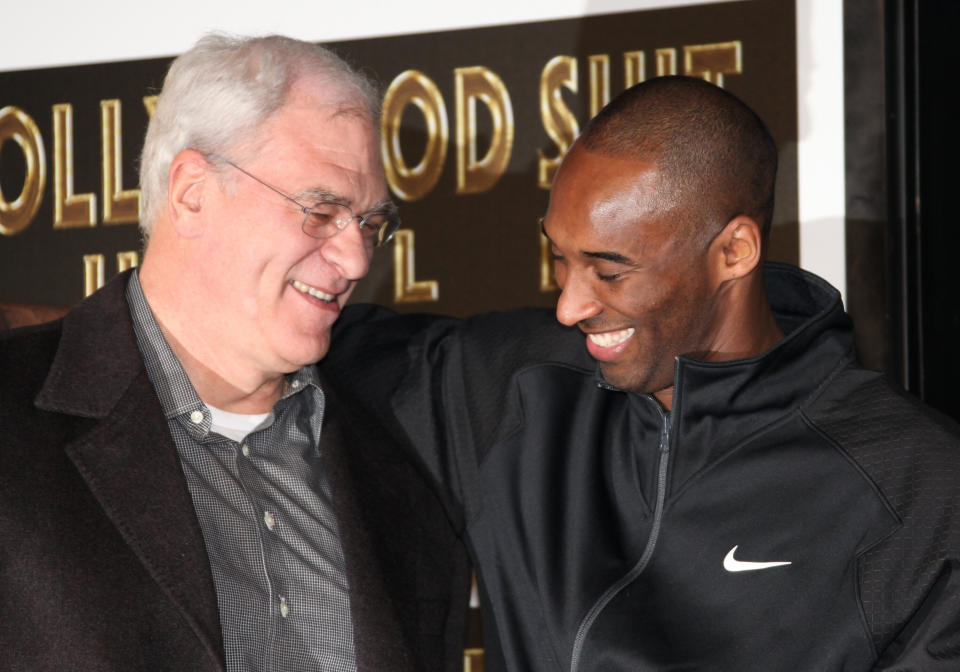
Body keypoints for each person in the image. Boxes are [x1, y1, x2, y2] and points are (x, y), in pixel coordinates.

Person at [326, 76, 960, 670]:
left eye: (610, 271)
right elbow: (278, 337)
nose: (569, 305)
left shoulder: (912, 487)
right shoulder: (511, 387)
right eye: (558, 256)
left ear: (733, 251)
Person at [0, 34, 469, 671]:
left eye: (369, 222)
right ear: (193, 192)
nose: (356, 258)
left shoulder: (402, 443)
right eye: (322, 210)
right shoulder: (13, 421)